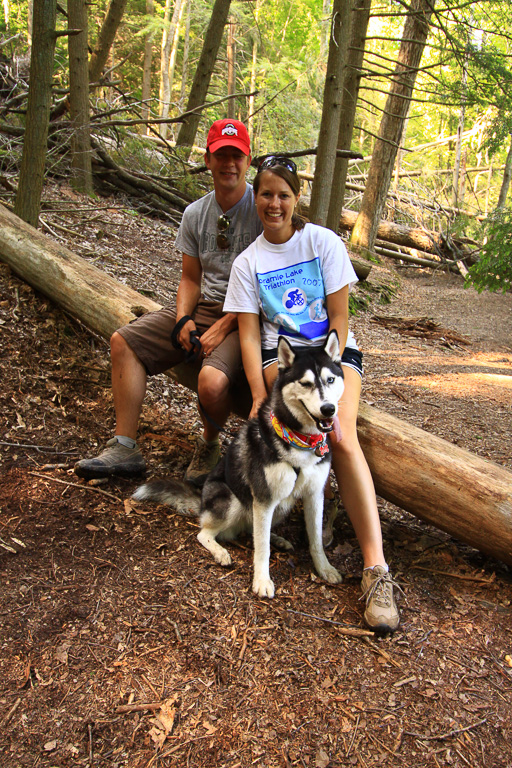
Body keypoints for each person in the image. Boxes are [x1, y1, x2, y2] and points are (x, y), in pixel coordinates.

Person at [223, 156, 401, 633]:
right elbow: (247, 335)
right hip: (280, 364)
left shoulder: (321, 242)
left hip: (330, 355)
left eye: (283, 194)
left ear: (296, 197)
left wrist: (331, 380)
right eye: (266, 194)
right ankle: (283, 510)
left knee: (340, 438)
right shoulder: (248, 263)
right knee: (278, 433)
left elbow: (341, 318)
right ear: (254, 197)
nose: (274, 203)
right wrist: (261, 393)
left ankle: (375, 568)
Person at [75, 119, 262, 486]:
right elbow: (191, 278)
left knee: (210, 381)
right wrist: (182, 320)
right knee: (123, 342)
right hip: (207, 305)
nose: (229, 164)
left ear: (248, 160)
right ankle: (125, 447)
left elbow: (266, 286)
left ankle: (209, 445)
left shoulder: (262, 208)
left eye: (236, 155)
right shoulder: (196, 213)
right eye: (221, 155)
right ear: (208, 160)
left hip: (250, 314)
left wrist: (224, 327)